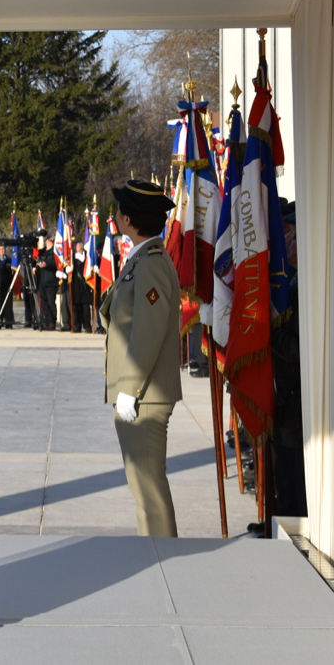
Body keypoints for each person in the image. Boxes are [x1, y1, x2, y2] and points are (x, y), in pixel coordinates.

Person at [100, 179, 181, 538]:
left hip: (144, 394)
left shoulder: (151, 264)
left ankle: (164, 556)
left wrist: (129, 389)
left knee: (149, 489)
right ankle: (155, 551)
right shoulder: (142, 259)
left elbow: (147, 332)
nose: (115, 215)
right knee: (143, 488)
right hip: (140, 392)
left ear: (129, 219)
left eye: (119, 209)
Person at [36, 237, 58, 330]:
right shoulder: (42, 251)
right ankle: (45, 321)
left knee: (50, 302)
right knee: (43, 303)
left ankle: (51, 322)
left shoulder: (55, 251)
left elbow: (56, 263)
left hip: (51, 281)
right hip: (42, 281)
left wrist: (47, 264)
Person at [0, 242, 14, 329]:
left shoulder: (10, 260)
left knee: (8, 305)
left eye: (3, 249)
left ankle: (8, 322)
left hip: (8, 285)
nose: (2, 251)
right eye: (0, 249)